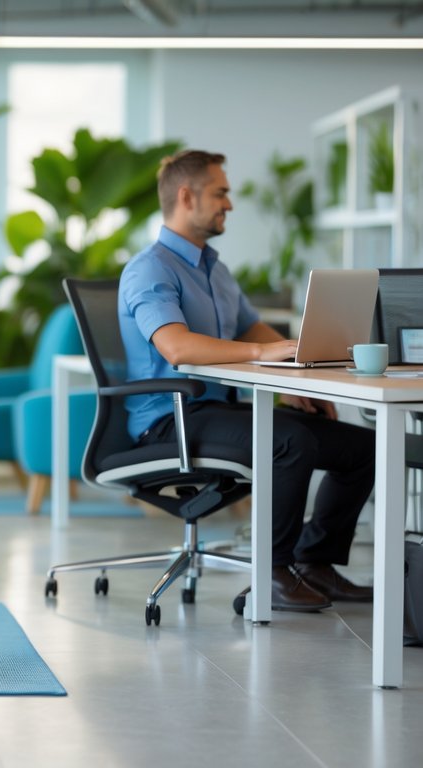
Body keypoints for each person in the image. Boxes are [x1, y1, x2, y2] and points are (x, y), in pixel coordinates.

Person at [119, 149, 375, 611]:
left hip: (221, 411)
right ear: (185, 196)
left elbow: (250, 327)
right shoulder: (150, 269)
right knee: (290, 441)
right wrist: (261, 354)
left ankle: (314, 562)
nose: (229, 204)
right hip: (170, 420)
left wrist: (297, 373)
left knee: (361, 448)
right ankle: (272, 574)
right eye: (221, 193)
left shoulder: (214, 270)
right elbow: (176, 346)